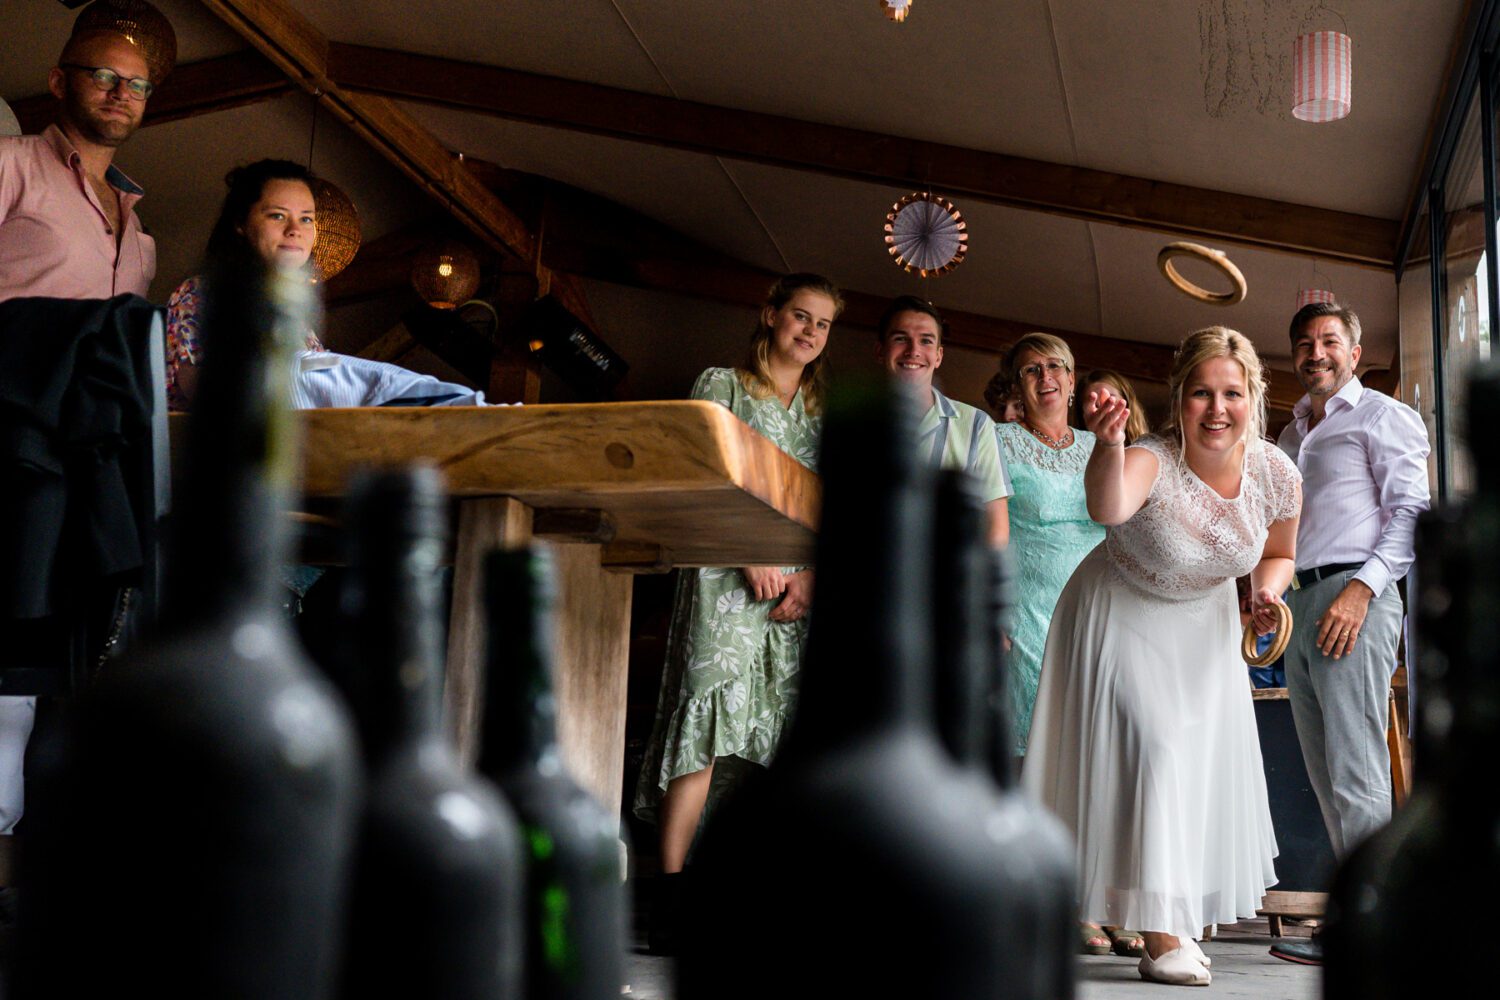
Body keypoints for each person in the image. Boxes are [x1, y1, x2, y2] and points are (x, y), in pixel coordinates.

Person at [1025, 327, 1301, 986]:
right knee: (1155, 751)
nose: (1217, 409)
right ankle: (1161, 937)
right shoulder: (1152, 457)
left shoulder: (1277, 474)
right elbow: (1106, 503)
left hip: (1204, 631)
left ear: (1253, 398)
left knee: (1189, 771)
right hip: (1121, 611)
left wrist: (1264, 593)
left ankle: (1169, 915)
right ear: (1179, 399)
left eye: (1231, 393)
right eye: (1201, 393)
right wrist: (1110, 444)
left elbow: (1279, 553)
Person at [0, 11, 170, 834]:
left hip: (89, 463)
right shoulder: (10, 167)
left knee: (69, 649)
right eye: (103, 74)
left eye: (136, 83)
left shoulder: (139, 232)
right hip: (9, 441)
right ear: (61, 79)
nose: (120, 92)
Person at [634, 273, 842, 942]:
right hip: (725, 577)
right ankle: (664, 897)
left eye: (822, 323)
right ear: (770, 315)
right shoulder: (719, 387)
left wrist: (807, 579)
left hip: (794, 598)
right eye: (799, 316)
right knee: (709, 719)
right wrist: (743, 550)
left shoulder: (822, 415)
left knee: (771, 741)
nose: (808, 332)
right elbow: (695, 476)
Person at [1268, 302, 1430, 967]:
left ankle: (1383, 932)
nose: (1316, 352)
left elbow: (1412, 511)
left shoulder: (1383, 416)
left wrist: (1362, 592)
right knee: (1326, 771)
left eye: (1329, 341)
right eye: (1304, 342)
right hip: (1300, 602)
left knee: (1359, 766)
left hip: (1352, 595)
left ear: (1354, 353)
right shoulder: (1287, 435)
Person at [165, 159, 488, 410]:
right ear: (240, 223)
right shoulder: (203, 294)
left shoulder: (293, 311)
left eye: (306, 218)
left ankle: (455, 407)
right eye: (278, 216)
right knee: (319, 371)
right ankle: (453, 405)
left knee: (343, 374)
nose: (296, 230)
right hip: (228, 457)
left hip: (303, 449)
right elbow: (208, 393)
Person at [992, 334, 1115, 955]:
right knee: (1031, 758)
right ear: (1019, 385)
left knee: (1093, 756)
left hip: (1094, 613)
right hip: (1024, 613)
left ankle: (1095, 896)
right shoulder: (998, 440)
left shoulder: (1101, 447)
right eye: (1032, 370)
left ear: (1073, 381)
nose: (1046, 377)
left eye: (1056, 367)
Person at [876, 296, 1011, 546]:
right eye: (900, 338)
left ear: (938, 356)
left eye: (925, 340)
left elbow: (996, 527)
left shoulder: (977, 426)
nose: (913, 350)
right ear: (881, 351)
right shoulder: (849, 423)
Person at [1078, 369, 1149, 444]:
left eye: (1109, 400)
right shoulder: (1081, 451)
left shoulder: (1145, 449)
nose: (1104, 410)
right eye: (1095, 405)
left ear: (1127, 403)